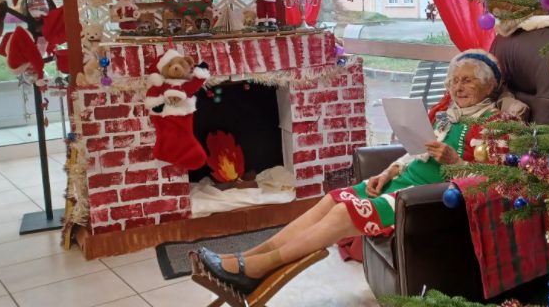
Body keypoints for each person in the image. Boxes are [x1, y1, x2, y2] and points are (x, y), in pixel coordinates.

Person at [196, 49, 519, 294]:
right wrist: (388, 172)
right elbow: (415, 151)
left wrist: (454, 161)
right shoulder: (445, 115)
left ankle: (255, 270)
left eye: (468, 80)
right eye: (455, 80)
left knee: (342, 213)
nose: (458, 87)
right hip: (403, 181)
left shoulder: (495, 125)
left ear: (488, 85)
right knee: (331, 200)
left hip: (426, 199)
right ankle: (248, 256)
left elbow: (493, 179)